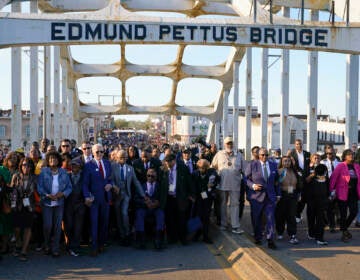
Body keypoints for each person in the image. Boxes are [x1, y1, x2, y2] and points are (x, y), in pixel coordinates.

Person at [37, 151, 72, 257]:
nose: (53, 160)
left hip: (59, 202)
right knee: (48, 225)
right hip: (47, 202)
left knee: (57, 226)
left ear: (59, 160)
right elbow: (39, 187)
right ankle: (47, 244)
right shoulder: (44, 172)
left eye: (55, 158)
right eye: (51, 159)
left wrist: (63, 194)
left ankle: (55, 248)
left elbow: (69, 187)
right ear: (48, 160)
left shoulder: (63, 172)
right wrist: (47, 195)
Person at [245, 147, 280, 249]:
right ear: (258, 155)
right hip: (256, 197)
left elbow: (277, 181)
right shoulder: (252, 165)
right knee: (257, 218)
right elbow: (246, 179)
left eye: (266, 155)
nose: (264, 157)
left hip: (270, 196)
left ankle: (270, 240)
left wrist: (278, 194)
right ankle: (258, 237)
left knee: (270, 218)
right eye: (262, 155)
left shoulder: (273, 165)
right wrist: (253, 186)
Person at [82, 144, 113, 256]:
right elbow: (85, 184)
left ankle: (102, 244)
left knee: (104, 222)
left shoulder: (107, 163)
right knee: (94, 222)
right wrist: (86, 196)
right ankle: (94, 246)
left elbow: (110, 179)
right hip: (94, 199)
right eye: (97, 152)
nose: (99, 154)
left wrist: (110, 185)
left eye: (101, 152)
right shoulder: (88, 165)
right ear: (93, 153)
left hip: (105, 198)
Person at [111, 149, 145, 246]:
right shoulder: (113, 167)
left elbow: (136, 182)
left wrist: (143, 195)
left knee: (124, 213)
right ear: (117, 157)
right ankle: (122, 236)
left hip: (126, 194)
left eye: (125, 157)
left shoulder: (130, 168)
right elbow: (110, 180)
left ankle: (127, 233)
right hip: (117, 195)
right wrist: (114, 186)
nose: (124, 159)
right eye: (121, 157)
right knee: (118, 215)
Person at [211, 136, 244, 234]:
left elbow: (245, 169)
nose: (229, 145)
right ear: (224, 144)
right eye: (227, 143)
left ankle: (235, 226)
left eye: (230, 143)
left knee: (235, 205)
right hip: (222, 184)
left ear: (233, 144)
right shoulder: (219, 154)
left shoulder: (239, 155)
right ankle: (223, 224)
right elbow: (213, 167)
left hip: (235, 185)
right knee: (223, 205)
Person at [162, 153, 194, 245]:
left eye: (170, 164)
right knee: (170, 219)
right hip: (168, 198)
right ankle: (172, 238)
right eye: (166, 164)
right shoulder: (164, 169)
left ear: (174, 161)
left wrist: (191, 195)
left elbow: (189, 182)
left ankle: (183, 238)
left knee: (181, 219)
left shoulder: (183, 168)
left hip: (180, 198)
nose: (168, 166)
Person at [329, 149, 360, 243]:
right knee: (343, 214)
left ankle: (344, 228)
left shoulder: (357, 166)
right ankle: (344, 233)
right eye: (349, 154)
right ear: (345, 156)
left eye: (352, 154)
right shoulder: (340, 166)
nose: (351, 156)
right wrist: (331, 191)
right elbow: (333, 178)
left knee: (354, 211)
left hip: (354, 193)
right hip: (342, 192)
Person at [10, 157, 37, 261]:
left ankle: (24, 250)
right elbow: (12, 191)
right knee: (16, 228)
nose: (26, 167)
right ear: (21, 166)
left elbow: (37, 191)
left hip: (29, 206)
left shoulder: (34, 178)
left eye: (29, 165)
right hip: (17, 206)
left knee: (27, 228)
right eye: (24, 165)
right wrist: (13, 205)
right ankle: (18, 242)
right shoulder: (16, 176)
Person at [134, 168, 166, 249]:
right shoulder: (141, 186)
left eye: (152, 176)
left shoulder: (160, 186)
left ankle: (158, 239)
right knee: (139, 213)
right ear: (146, 176)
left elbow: (163, 197)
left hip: (156, 208)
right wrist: (145, 203)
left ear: (156, 176)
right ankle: (141, 239)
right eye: (148, 175)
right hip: (145, 208)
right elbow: (136, 198)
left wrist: (157, 203)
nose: (150, 177)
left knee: (160, 214)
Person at [192, 159, 219, 244]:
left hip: (208, 197)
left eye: (203, 168)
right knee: (198, 215)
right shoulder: (195, 173)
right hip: (199, 197)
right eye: (200, 167)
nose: (201, 169)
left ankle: (206, 236)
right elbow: (192, 185)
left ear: (207, 167)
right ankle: (197, 233)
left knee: (206, 217)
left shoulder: (212, 172)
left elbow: (218, 179)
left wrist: (213, 184)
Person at [63, 158, 85, 257]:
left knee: (78, 226)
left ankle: (75, 246)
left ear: (80, 166)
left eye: (76, 165)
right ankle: (69, 245)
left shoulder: (84, 176)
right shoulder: (66, 175)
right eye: (72, 165)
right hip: (69, 204)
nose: (73, 167)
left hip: (80, 204)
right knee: (68, 225)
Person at [275, 156, 299, 245]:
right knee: (280, 215)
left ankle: (292, 234)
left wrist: (298, 194)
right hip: (282, 195)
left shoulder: (294, 171)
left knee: (292, 215)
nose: (287, 163)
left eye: (289, 161)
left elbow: (299, 183)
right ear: (281, 162)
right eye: (285, 161)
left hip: (293, 195)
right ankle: (280, 232)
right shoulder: (279, 171)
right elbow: (276, 184)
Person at [306, 164, 330, 245]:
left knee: (320, 221)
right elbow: (307, 191)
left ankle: (319, 238)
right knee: (311, 219)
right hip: (312, 203)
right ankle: (311, 233)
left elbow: (328, 191)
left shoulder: (327, 179)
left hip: (322, 203)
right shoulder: (312, 179)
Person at [290, 139, 311, 223]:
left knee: (303, 199)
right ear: (295, 145)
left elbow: (309, 166)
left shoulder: (307, 154)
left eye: (300, 144)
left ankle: (298, 213)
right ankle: (293, 214)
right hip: (294, 180)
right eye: (297, 144)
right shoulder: (291, 154)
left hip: (305, 179)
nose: (299, 145)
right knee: (293, 198)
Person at [321, 146, 340, 233]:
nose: (329, 155)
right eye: (327, 153)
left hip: (338, 187)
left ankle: (337, 221)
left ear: (335, 153)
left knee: (337, 207)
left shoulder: (339, 163)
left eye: (331, 153)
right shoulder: (323, 162)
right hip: (326, 187)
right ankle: (331, 225)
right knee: (328, 208)